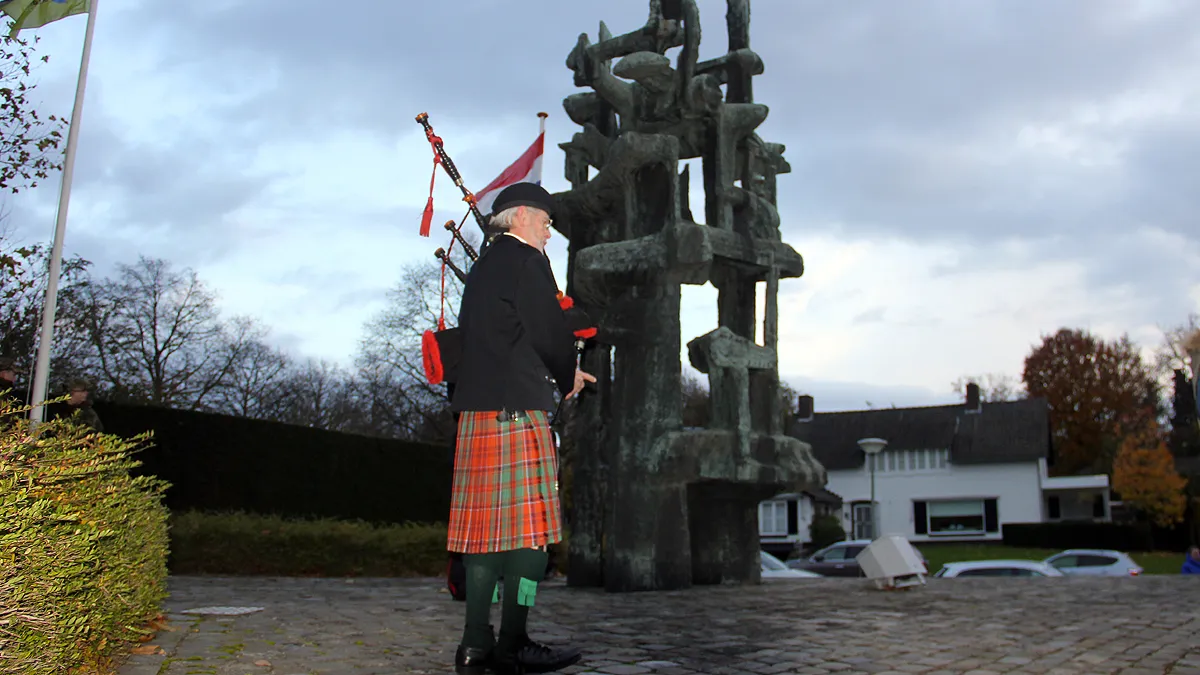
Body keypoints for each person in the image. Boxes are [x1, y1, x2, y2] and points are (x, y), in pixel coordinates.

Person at [448, 182, 594, 675]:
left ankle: (473, 645)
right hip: (518, 411)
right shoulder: (529, 261)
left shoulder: (483, 268)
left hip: (476, 413)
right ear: (521, 218)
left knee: (482, 539)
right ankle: (513, 642)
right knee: (530, 543)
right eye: (547, 223)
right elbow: (549, 331)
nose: (550, 233)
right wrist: (567, 371)